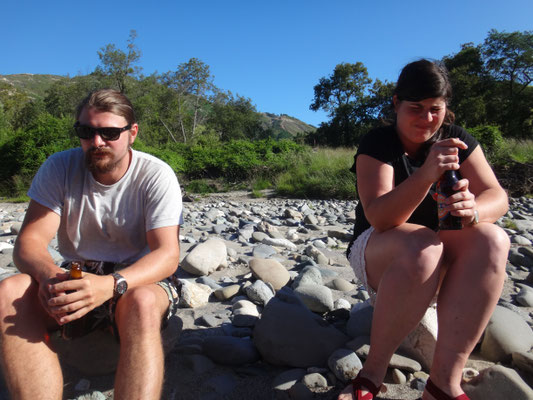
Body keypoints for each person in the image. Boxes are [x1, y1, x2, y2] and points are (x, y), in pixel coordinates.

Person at [338, 60, 510, 400]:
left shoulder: (457, 140)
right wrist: (426, 174)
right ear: (395, 103)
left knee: (494, 238)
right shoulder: (379, 142)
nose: (427, 119)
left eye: (436, 109)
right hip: (382, 252)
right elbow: (380, 217)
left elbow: (498, 196)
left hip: (438, 252)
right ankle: (371, 375)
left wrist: (475, 210)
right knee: (424, 245)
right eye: (416, 108)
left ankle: (444, 383)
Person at [0, 89, 183, 400]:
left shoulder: (156, 175)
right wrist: (47, 276)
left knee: (141, 303)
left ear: (132, 133)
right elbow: (29, 241)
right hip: (76, 274)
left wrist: (112, 285)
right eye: (87, 131)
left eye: (110, 132)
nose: (97, 142)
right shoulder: (59, 168)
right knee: (10, 291)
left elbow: (167, 254)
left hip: (139, 280)